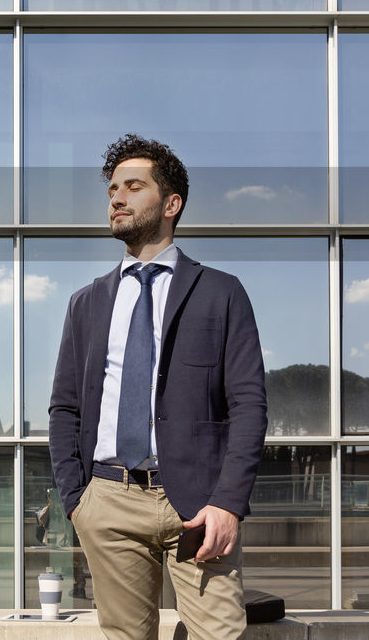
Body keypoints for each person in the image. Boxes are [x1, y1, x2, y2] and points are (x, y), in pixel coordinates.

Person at [48, 134, 267, 640]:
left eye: (132, 186)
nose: (116, 199)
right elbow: (65, 408)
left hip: (199, 504)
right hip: (108, 500)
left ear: (171, 204)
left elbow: (249, 405)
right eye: (111, 191)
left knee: (220, 634)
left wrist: (229, 503)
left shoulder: (221, 292)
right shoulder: (86, 303)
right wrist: (78, 501)